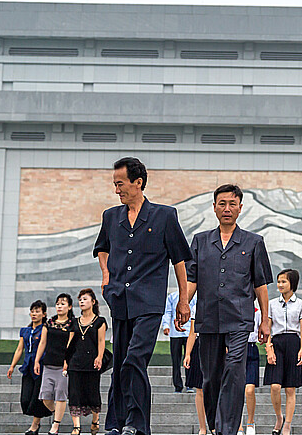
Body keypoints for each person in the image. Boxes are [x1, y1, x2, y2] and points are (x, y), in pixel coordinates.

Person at [93, 156, 192, 435]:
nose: (116, 190)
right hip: (119, 299)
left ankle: (136, 424)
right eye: (114, 184)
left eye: (120, 184)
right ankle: (117, 423)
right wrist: (106, 275)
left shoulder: (164, 216)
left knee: (135, 358)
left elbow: (179, 260)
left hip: (149, 302)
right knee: (120, 363)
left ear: (138, 182)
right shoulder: (111, 216)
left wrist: (183, 300)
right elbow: (102, 248)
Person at [185, 184, 273, 435]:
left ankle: (228, 429)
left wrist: (265, 320)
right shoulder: (200, 241)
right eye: (222, 204)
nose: (227, 208)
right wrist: (183, 304)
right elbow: (192, 279)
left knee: (234, 371)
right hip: (208, 318)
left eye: (232, 204)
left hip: (239, 319)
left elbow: (260, 284)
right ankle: (216, 425)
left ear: (240, 208)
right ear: (214, 207)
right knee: (210, 377)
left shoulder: (254, 242)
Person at [265, 269, 302, 435]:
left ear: (293, 283)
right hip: (276, 344)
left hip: (293, 343)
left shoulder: (301, 305)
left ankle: (288, 425)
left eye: (284, 281)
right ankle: (279, 417)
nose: (280, 285)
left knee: (290, 389)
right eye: (279, 281)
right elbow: (268, 328)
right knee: (275, 386)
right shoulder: (271, 304)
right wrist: (269, 348)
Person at [7, 300, 52, 435]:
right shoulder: (25, 331)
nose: (34, 314)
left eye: (37, 311)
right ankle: (52, 411)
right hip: (27, 366)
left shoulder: (45, 329)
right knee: (26, 399)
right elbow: (19, 349)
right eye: (32, 311)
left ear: (44, 314)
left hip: (40, 367)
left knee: (36, 398)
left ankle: (35, 425)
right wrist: (12, 366)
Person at [66, 289, 108, 435]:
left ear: (93, 302)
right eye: (80, 300)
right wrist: (66, 361)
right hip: (75, 362)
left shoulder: (100, 321)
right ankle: (76, 426)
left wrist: (100, 357)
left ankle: (95, 420)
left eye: (85, 299)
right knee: (74, 393)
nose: (82, 302)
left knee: (93, 393)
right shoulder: (74, 322)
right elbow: (70, 343)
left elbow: (101, 341)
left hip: (92, 362)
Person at [35, 293, 74, 435]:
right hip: (48, 364)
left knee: (61, 395)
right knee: (45, 396)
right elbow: (42, 342)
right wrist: (37, 360)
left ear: (69, 307)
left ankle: (56, 425)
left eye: (63, 304)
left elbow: (71, 344)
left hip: (63, 366)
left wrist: (67, 361)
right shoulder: (49, 322)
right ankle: (56, 412)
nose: (59, 306)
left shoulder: (72, 324)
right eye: (58, 304)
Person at [160, 290, 194, 393]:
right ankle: (177, 385)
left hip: (189, 332)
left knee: (190, 359)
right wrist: (166, 325)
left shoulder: (194, 297)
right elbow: (168, 311)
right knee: (176, 360)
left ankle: (190, 384)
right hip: (175, 333)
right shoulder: (172, 296)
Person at [182, 317, 207, 435]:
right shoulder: (197, 309)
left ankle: (216, 425)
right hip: (200, 345)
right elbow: (193, 332)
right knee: (200, 388)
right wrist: (187, 353)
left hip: (217, 344)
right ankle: (202, 428)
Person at [242, 304, 262, 435]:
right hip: (236, 349)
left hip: (251, 348)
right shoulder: (233, 309)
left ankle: (250, 421)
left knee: (249, 389)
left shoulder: (257, 312)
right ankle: (238, 425)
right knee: (236, 389)